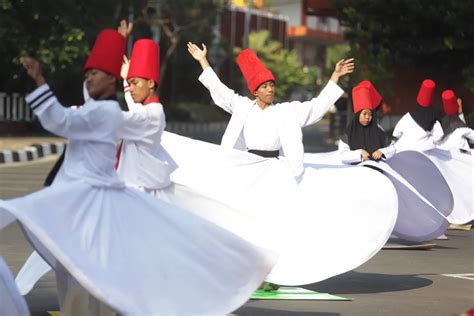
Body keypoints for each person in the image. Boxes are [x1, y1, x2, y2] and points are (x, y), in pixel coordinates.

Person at [2, 28, 277, 315]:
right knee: (81, 259)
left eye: (135, 82)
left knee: (138, 262)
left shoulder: (148, 115)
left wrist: (49, 87)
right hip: (116, 194)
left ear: (150, 83)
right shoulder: (125, 111)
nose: (131, 87)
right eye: (129, 82)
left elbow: (99, 117)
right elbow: (105, 111)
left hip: (143, 197)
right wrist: (119, 77)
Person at [187, 42, 354, 181]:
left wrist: (335, 76)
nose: (270, 90)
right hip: (248, 165)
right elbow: (219, 89)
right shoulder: (243, 106)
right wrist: (203, 60)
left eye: (272, 85)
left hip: (276, 168)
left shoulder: (286, 111)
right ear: (255, 91)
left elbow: (316, 107)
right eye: (265, 86)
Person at [338, 84, 395, 164]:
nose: (367, 117)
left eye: (370, 114)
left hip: (376, 171)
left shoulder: (377, 129)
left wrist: (382, 151)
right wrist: (359, 154)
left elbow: (392, 148)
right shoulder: (350, 132)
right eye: (364, 114)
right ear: (358, 114)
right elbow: (342, 155)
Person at [392, 79, 443, 151]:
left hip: (404, 150)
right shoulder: (433, 119)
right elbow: (439, 136)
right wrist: (429, 141)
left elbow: (396, 133)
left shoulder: (408, 116)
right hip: (424, 152)